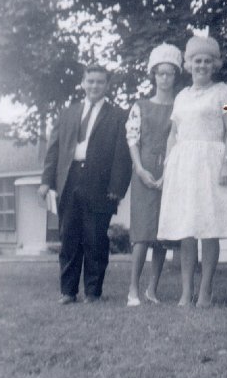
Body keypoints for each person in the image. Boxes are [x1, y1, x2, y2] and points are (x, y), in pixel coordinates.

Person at [156, 35, 227, 307]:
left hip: (211, 163)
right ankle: (186, 292)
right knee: (186, 228)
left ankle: (205, 291)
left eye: (207, 60)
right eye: (197, 60)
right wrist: (170, 164)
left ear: (214, 64)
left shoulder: (225, 93)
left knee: (209, 227)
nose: (202, 65)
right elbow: (174, 133)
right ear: (189, 64)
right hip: (184, 166)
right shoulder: (181, 97)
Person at [38, 64, 132, 304]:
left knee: (95, 239)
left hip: (100, 184)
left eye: (100, 82)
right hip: (69, 180)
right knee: (68, 237)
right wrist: (46, 181)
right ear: (83, 82)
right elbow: (54, 149)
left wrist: (117, 188)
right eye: (90, 81)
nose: (94, 86)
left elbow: (122, 155)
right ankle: (68, 292)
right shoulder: (68, 113)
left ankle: (93, 292)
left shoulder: (118, 115)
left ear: (107, 85)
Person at [125, 43, 183, 307]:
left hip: (173, 169)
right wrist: (139, 168)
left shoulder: (182, 104)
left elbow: (226, 109)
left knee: (163, 233)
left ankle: (152, 289)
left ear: (176, 75)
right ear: (153, 75)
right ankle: (133, 290)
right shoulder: (140, 106)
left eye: (170, 73)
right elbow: (132, 139)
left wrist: (170, 172)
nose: (165, 78)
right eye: (160, 73)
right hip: (145, 171)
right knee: (142, 233)